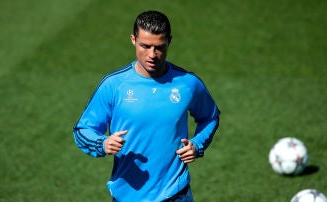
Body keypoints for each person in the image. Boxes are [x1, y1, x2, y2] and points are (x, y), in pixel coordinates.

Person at [73, 10, 220, 202]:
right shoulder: (114, 85)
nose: (152, 55)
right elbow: (83, 130)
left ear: (169, 42)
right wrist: (102, 143)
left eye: (159, 47)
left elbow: (210, 116)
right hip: (127, 197)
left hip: (175, 194)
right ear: (133, 40)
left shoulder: (188, 83)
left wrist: (197, 145)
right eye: (145, 46)